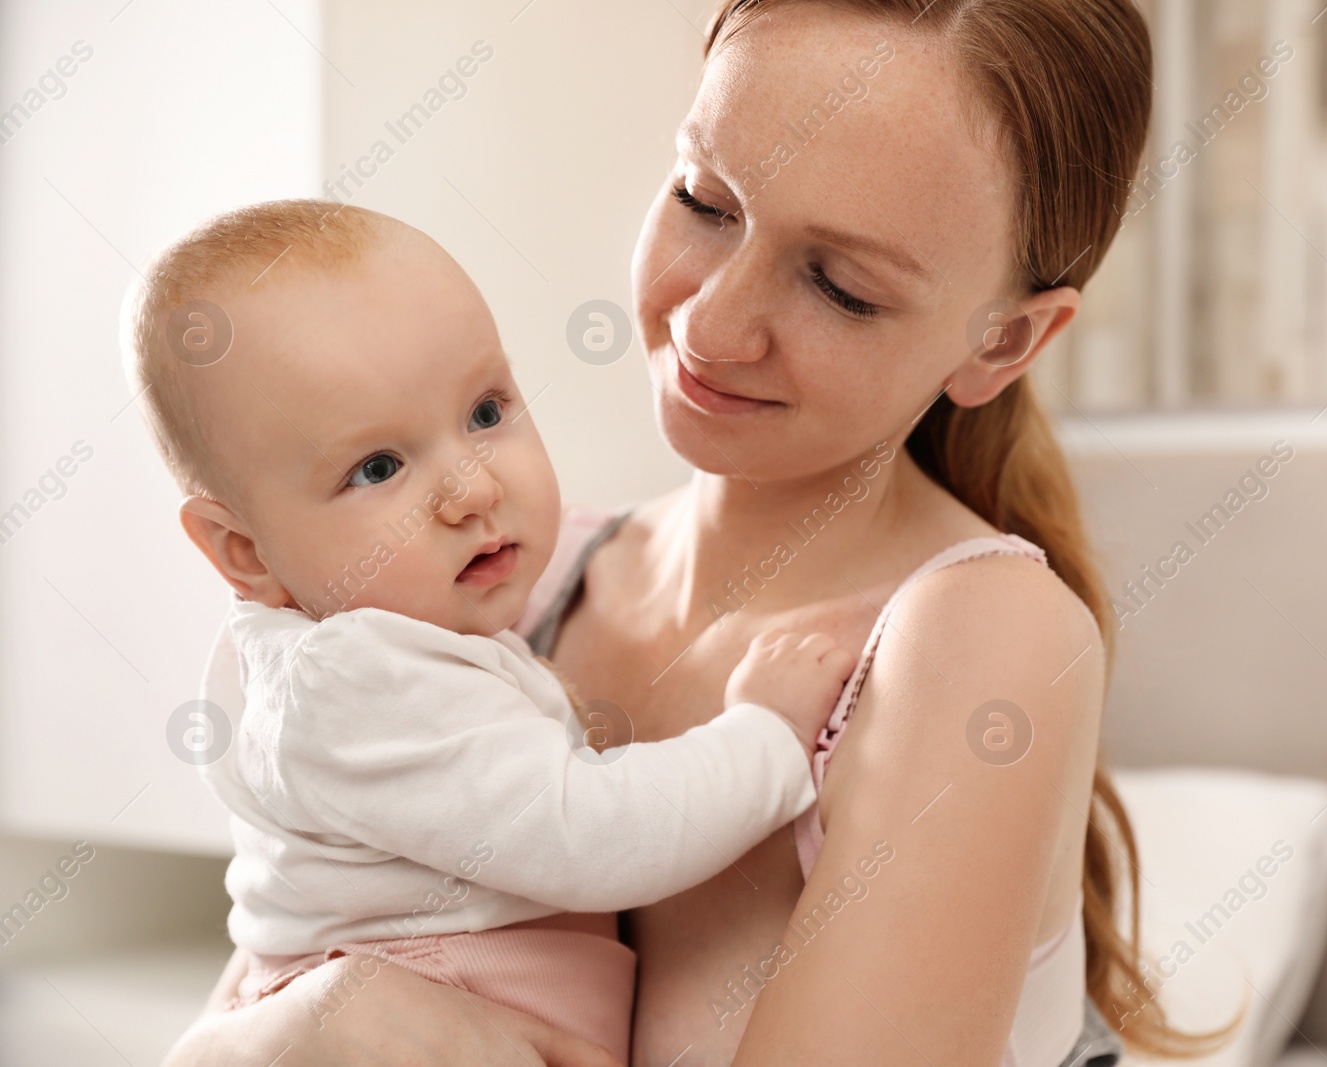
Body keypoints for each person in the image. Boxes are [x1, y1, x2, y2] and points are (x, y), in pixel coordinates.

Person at [166, 1, 1213, 1063]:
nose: (709, 323)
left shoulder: (980, 639)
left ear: (1003, 343)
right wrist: (312, 1024)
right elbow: (255, 996)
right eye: (703, 200)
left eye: (840, 288)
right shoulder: (503, 583)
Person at [128, 201, 862, 1066]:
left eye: (484, 412)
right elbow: (591, 831)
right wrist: (767, 736)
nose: (470, 489)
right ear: (244, 550)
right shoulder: (355, 679)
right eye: (378, 468)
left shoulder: (344, 644)